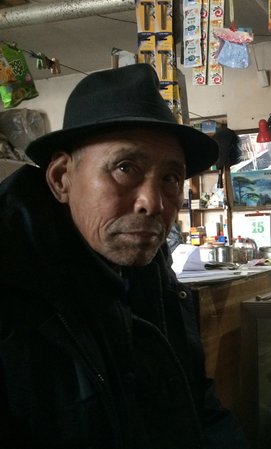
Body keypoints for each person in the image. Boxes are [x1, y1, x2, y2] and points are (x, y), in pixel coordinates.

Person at [0, 64, 248, 448]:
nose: (153, 202)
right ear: (62, 178)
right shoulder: (14, 294)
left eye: (170, 178)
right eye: (125, 167)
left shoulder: (152, 274)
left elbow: (196, 406)